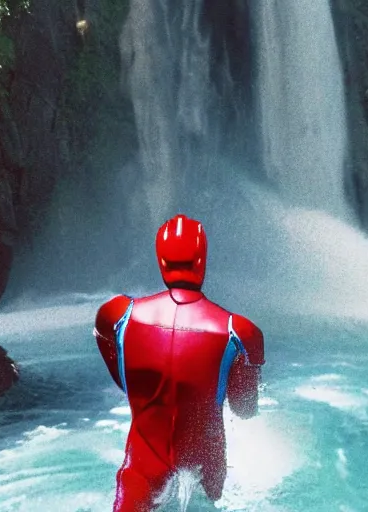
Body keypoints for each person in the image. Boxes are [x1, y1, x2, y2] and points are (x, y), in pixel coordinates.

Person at [94, 214, 265, 512]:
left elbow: (119, 370)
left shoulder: (117, 315)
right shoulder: (239, 332)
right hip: (205, 469)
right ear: (203, 260)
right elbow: (245, 409)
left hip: (141, 467)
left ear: (161, 262)